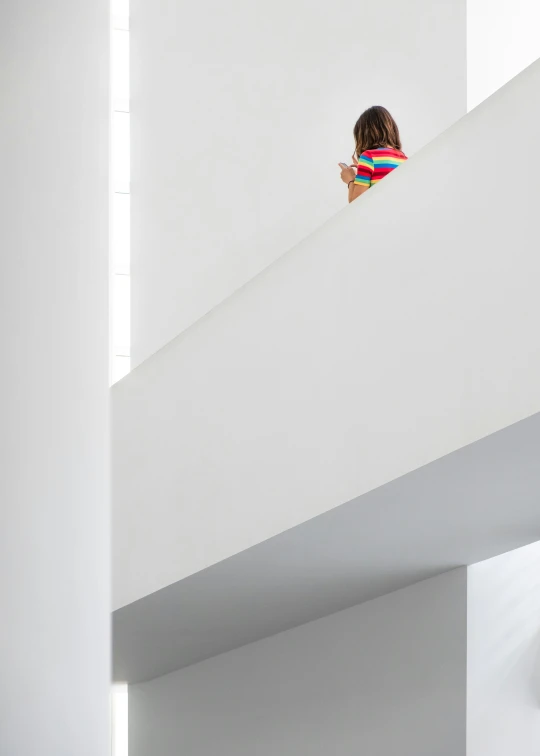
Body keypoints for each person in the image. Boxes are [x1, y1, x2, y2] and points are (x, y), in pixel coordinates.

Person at [339, 106, 407, 203]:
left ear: (362, 136)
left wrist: (350, 180)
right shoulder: (404, 158)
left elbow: (355, 204)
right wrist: (364, 171)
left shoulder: (369, 157)